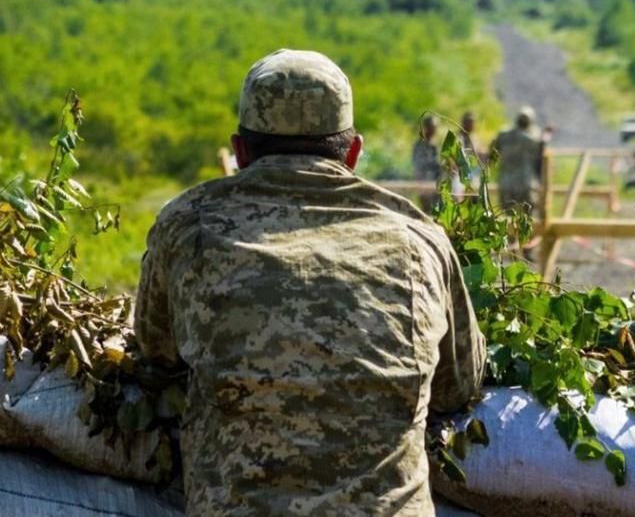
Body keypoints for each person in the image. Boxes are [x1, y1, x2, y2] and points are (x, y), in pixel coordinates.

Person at [135, 49, 485, 516]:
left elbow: (156, 352)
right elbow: (457, 386)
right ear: (354, 153)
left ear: (240, 152)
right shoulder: (419, 239)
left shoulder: (186, 226)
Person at [490, 105, 550, 217]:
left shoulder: (504, 135)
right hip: (526, 184)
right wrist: (546, 135)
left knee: (506, 218)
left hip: (506, 182)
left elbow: (492, 152)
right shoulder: (533, 139)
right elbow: (541, 149)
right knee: (529, 218)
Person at [412, 113, 441, 212]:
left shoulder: (435, 145)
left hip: (436, 185)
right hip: (425, 185)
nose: (434, 130)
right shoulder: (420, 145)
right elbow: (419, 165)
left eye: (435, 127)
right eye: (432, 127)